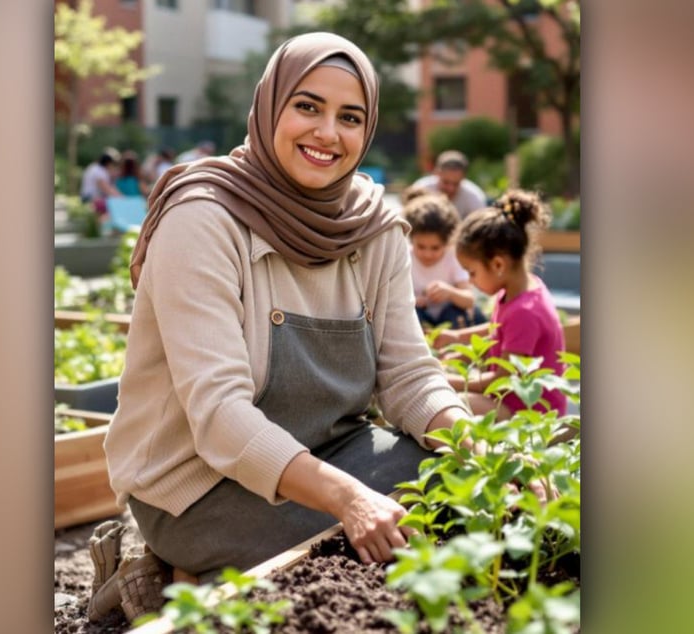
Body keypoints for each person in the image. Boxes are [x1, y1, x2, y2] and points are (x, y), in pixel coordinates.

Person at [89, 32, 525, 624]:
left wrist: (487, 453)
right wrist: (349, 497)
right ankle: (166, 568)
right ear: (270, 105)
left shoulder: (372, 227)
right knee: (398, 530)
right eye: (307, 106)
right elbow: (218, 414)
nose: (328, 133)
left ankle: (198, 582)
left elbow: (409, 375)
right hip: (196, 484)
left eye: (350, 117)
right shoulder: (203, 219)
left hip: (329, 453)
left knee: (451, 487)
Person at [434, 189, 568, 419]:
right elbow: (501, 330)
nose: (469, 280)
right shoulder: (517, 290)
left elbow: (502, 381)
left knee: (452, 403)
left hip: (531, 411)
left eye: (472, 272)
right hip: (510, 399)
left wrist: (446, 380)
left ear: (497, 264)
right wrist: (458, 338)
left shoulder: (525, 312)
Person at [402, 186, 485, 329]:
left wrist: (450, 293)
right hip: (421, 318)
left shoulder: (452, 257)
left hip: (449, 320)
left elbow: (470, 299)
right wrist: (413, 301)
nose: (427, 254)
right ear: (411, 239)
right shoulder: (404, 257)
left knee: (458, 313)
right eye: (421, 247)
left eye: (435, 248)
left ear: (446, 243)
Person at [412, 149, 487, 220]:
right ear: (437, 173)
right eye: (446, 182)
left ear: (464, 177)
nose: (451, 188)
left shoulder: (474, 196)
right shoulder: (422, 188)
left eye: (456, 184)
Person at [80, 148, 122, 215]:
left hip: (87, 198)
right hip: (90, 200)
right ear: (109, 163)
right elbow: (107, 189)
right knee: (116, 205)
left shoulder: (93, 167)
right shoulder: (100, 172)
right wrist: (123, 198)